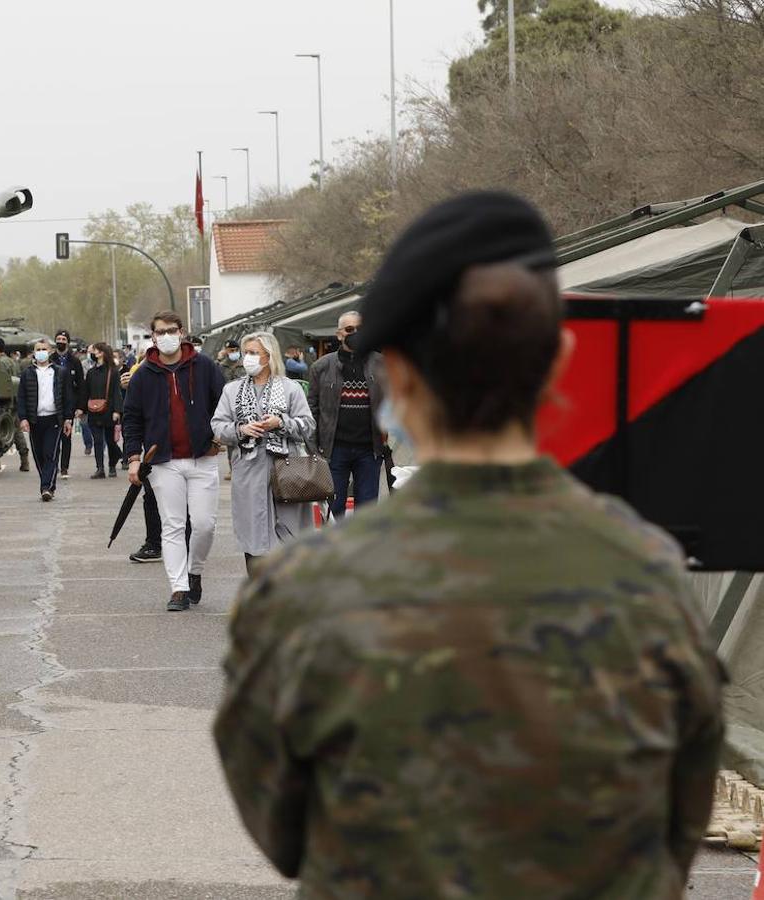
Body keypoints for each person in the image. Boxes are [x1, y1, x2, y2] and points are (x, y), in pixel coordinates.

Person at [215, 192, 725, 897]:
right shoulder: (651, 576)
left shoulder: (301, 591)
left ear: (401, 376)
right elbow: (677, 824)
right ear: (558, 361)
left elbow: (282, 829)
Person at [122, 311, 225, 611]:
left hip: (202, 458)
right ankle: (179, 588)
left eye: (172, 330)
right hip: (164, 462)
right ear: (153, 337)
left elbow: (223, 404)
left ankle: (195, 571)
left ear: (181, 332)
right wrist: (133, 458)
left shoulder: (204, 366)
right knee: (173, 526)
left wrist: (218, 439)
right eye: (160, 331)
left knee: (205, 525)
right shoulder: (143, 374)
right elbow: (132, 418)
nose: (166, 336)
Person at [211, 331, 315, 572]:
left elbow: (308, 426)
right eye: (245, 353)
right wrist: (242, 429)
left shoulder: (291, 389)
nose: (247, 357)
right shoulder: (232, 390)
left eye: (253, 353)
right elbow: (217, 426)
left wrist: (281, 423)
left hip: (287, 471)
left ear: (268, 357)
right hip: (248, 472)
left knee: (290, 535)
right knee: (253, 535)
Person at [308, 310, 385, 521]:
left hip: (370, 450)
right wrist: (314, 448)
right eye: (350, 329)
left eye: (360, 329)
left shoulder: (382, 364)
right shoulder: (321, 367)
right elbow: (312, 409)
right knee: (333, 508)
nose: (355, 333)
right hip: (334, 451)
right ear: (339, 334)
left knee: (368, 510)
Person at [16, 338, 73, 501]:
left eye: (44, 349)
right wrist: (23, 418)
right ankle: (48, 484)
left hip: (54, 419)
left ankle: (46, 487)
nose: (41, 352)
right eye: (38, 349)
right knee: (39, 455)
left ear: (49, 351)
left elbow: (67, 397)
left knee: (50, 453)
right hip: (35, 420)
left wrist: (68, 418)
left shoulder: (60, 372)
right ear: (34, 353)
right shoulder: (27, 373)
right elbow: (21, 398)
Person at [121, 342, 162, 564]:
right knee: (152, 495)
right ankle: (154, 543)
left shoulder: (194, 367)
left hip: (186, 448)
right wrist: (134, 456)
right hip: (154, 445)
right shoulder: (142, 370)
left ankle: (185, 544)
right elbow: (133, 413)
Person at [0, 337, 30, 472]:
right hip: (16, 397)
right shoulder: (13, 362)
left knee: (1, 430)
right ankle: (24, 460)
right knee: (17, 429)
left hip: (6, 399)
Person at [81, 342, 123, 478]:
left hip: (109, 411)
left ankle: (112, 465)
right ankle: (100, 468)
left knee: (111, 441)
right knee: (98, 441)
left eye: (96, 351)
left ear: (102, 353)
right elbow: (86, 392)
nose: (94, 353)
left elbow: (117, 392)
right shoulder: (91, 372)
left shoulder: (113, 372)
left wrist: (117, 411)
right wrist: (81, 409)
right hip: (94, 412)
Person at [50, 329, 84, 476]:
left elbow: (81, 385)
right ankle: (53, 465)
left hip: (70, 405)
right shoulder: (50, 359)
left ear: (68, 343)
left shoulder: (75, 361)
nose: (61, 342)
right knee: (53, 439)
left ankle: (64, 467)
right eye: (58, 339)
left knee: (66, 437)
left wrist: (80, 407)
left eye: (64, 340)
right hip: (53, 405)